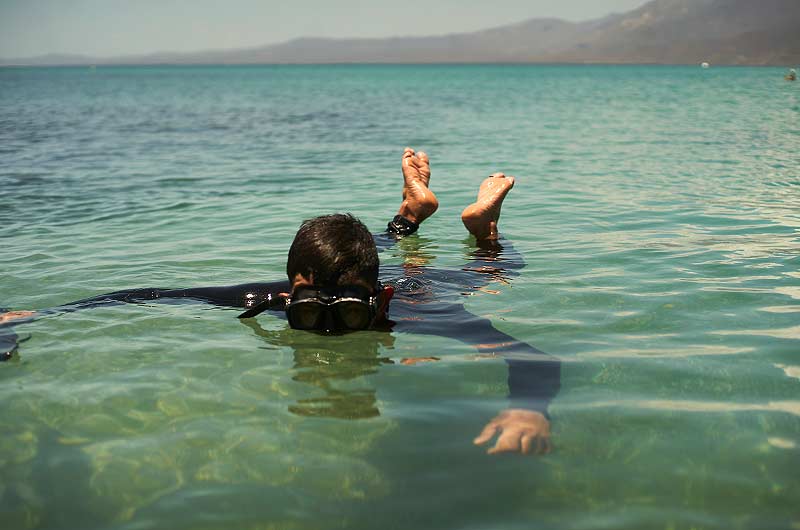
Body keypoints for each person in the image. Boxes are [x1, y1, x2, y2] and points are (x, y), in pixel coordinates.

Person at [0, 148, 560, 455]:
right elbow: (153, 294)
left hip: (419, 287)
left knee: (494, 270)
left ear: (378, 302)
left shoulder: (414, 310)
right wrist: (42, 315)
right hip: (374, 278)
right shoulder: (270, 298)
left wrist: (528, 406)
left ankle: (481, 226)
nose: (328, 335)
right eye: (313, 314)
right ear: (292, 289)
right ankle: (410, 214)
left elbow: (533, 357)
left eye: (346, 317)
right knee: (389, 252)